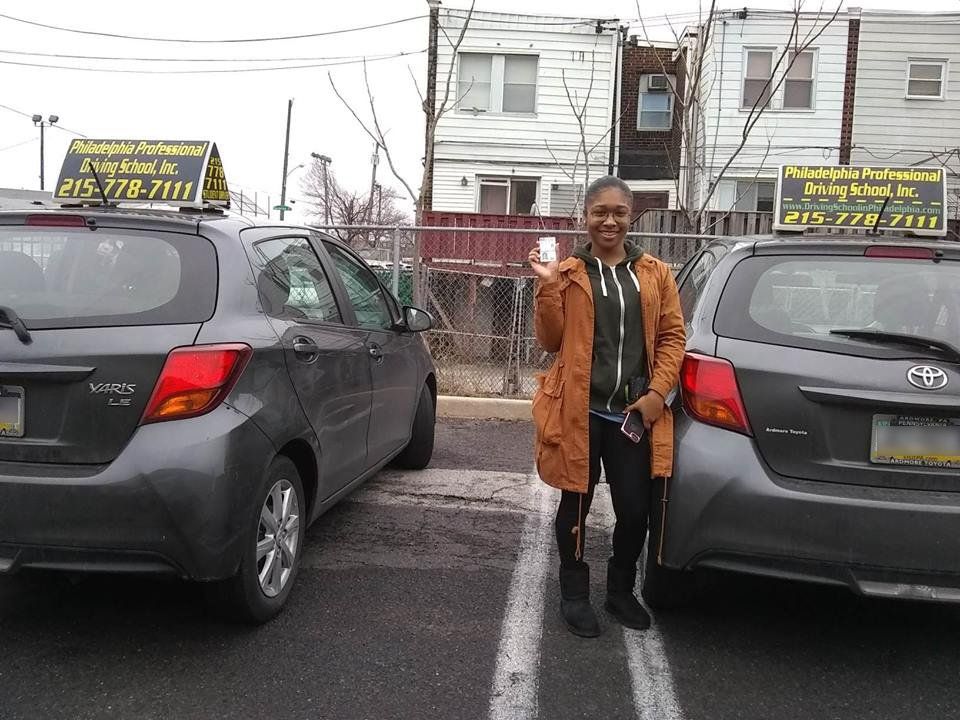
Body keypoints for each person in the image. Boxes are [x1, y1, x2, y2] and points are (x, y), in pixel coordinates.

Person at [529, 176, 685, 638]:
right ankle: (574, 594)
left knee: (635, 510)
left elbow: (672, 337)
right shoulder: (569, 272)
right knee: (575, 504)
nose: (609, 221)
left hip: (631, 414)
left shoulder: (655, 273)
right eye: (600, 212)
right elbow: (550, 340)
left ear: (630, 216)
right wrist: (547, 286)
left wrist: (657, 393)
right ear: (586, 216)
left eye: (619, 212)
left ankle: (620, 591)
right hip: (578, 410)